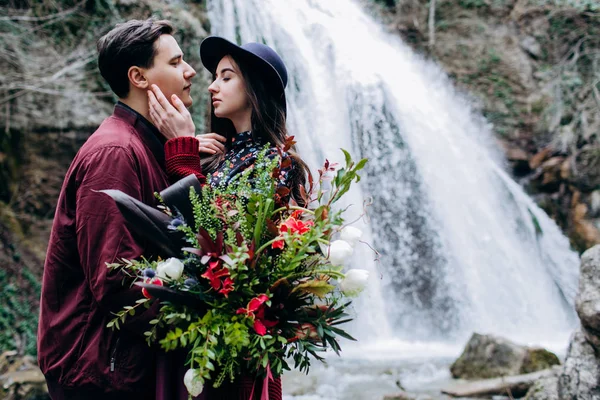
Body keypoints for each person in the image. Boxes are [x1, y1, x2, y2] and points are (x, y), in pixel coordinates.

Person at [37, 19, 224, 400]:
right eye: (175, 62)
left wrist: (180, 150)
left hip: (118, 367)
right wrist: (217, 311)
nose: (190, 72)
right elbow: (117, 281)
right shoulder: (115, 153)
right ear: (138, 77)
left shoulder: (140, 142)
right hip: (101, 371)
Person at [147, 36, 312, 399]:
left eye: (226, 77)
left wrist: (182, 155)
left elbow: (222, 240)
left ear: (254, 88)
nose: (211, 86)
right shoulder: (224, 156)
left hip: (240, 343)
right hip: (214, 337)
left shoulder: (277, 163)